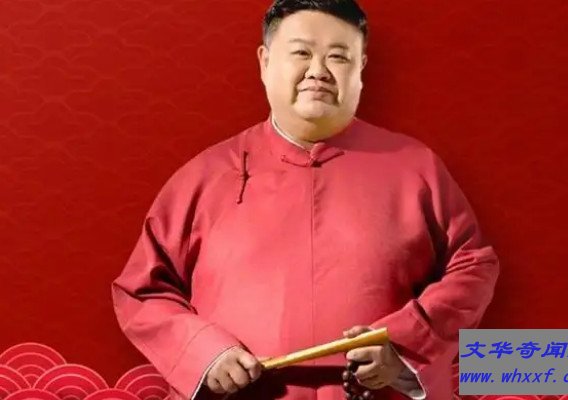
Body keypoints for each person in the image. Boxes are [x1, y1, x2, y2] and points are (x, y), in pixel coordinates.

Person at [111, 1, 500, 399]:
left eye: (339, 57)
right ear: (265, 62)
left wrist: (403, 346)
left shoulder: (415, 166)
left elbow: (474, 266)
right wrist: (203, 353)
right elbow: (142, 290)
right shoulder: (203, 175)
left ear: (361, 68)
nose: (319, 71)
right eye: (301, 53)